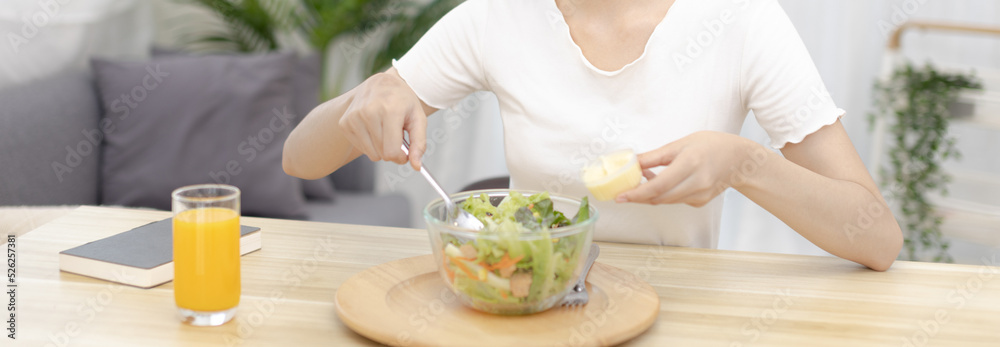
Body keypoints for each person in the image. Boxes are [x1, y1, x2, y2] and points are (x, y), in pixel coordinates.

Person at [282, 0, 903, 271]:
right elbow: (299, 159)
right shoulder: (497, 16)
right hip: (527, 302)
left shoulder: (740, 19)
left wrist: (745, 164)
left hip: (674, 316)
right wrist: (367, 99)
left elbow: (876, 237)